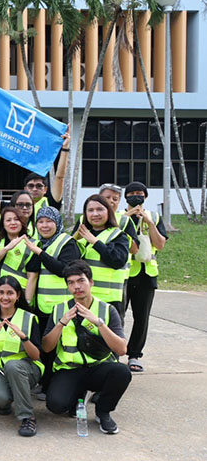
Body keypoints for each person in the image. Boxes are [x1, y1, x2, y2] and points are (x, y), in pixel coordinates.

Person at [42, 261, 131, 434]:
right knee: (56, 405)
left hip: (98, 367)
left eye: (81, 281)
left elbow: (121, 349)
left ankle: (103, 412)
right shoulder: (59, 309)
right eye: (71, 283)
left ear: (91, 282)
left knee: (122, 372)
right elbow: (46, 347)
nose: (76, 287)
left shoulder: (107, 310)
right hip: (69, 369)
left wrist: (98, 323)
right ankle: (78, 395)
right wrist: (61, 323)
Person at [23, 206, 81, 398]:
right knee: (44, 348)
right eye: (40, 222)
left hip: (61, 307)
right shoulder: (39, 243)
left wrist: (39, 253)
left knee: (58, 349)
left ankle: (53, 387)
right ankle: (44, 383)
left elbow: (64, 270)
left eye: (49, 221)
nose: (44, 225)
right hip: (42, 306)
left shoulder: (67, 243)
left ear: (57, 223)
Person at [0, 277, 43, 437]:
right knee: (0, 399)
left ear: (18, 295)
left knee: (13, 366)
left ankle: (27, 417)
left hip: (26, 370)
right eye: (1, 293)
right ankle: (9, 399)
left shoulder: (28, 318)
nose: (5, 297)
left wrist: (24, 338)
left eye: (10, 293)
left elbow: (36, 355)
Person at [121, 182, 167, 372]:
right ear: (126, 197)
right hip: (123, 274)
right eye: (131, 193)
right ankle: (113, 352)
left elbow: (160, 244)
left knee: (142, 318)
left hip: (146, 274)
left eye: (139, 193)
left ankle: (134, 355)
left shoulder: (154, 216)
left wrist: (149, 223)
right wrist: (126, 218)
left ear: (145, 196)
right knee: (117, 315)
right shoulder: (119, 216)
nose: (135, 196)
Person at [72, 195, 131, 317]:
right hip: (83, 299)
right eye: (90, 210)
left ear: (108, 212)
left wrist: (95, 242)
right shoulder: (82, 237)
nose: (95, 214)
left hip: (109, 301)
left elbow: (118, 261)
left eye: (100, 209)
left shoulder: (118, 236)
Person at [0, 206, 35, 290]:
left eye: (16, 219)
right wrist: (6, 248)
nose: (13, 223)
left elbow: (32, 277)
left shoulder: (31, 243)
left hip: (20, 291)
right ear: (3, 224)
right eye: (8, 220)